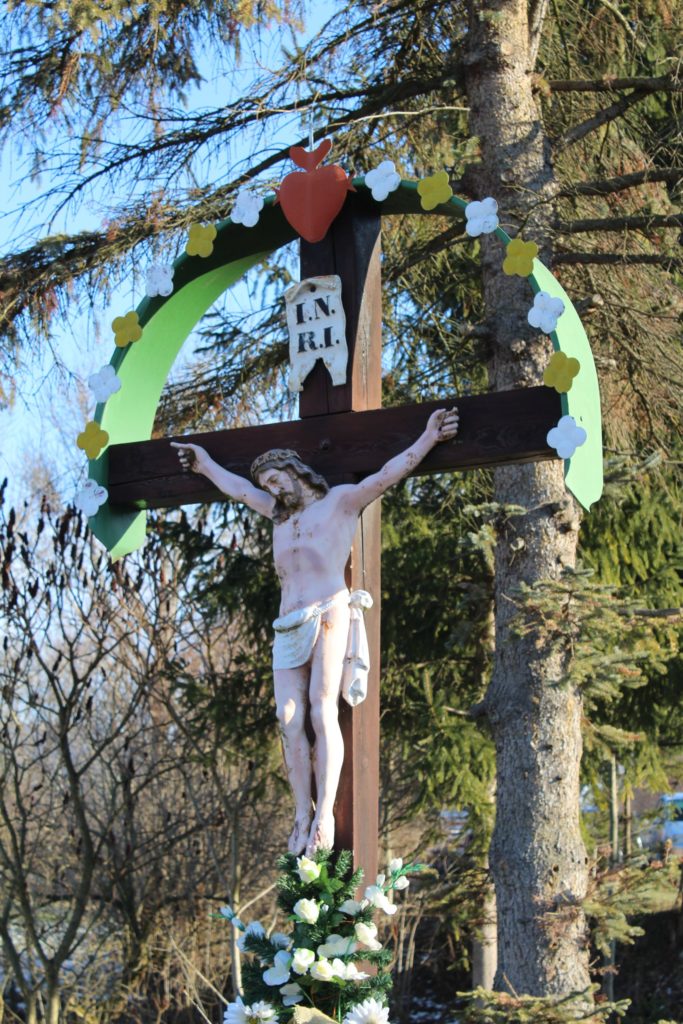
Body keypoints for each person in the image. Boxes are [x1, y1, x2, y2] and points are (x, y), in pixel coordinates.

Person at [171, 407, 459, 855]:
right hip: (287, 623)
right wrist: (205, 463)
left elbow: (385, 474)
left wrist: (427, 439)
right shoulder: (277, 516)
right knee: (289, 720)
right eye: (266, 485)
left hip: (328, 609)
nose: (270, 488)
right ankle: (301, 814)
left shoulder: (339, 502)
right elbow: (239, 489)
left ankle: (324, 811)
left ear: (294, 471)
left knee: (321, 709)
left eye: (275, 479)